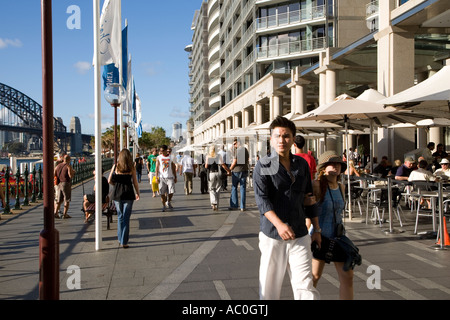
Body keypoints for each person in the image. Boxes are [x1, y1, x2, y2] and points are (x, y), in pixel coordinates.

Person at [253, 116, 321, 300]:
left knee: (305, 285)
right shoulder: (265, 165)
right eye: (277, 136)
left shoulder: (301, 164)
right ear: (271, 139)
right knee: (269, 289)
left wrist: (316, 228)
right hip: (273, 235)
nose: (281, 140)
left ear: (293, 138)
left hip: (299, 233)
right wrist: (279, 224)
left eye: (286, 136)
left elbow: (309, 197)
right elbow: (263, 201)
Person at [312, 151, 354, 300]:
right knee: (314, 276)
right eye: (332, 163)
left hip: (338, 238)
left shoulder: (341, 187)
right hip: (320, 238)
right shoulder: (316, 185)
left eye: (338, 164)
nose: (336, 166)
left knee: (347, 276)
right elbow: (308, 210)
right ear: (323, 167)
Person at [108, 149, 140, 248]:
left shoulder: (116, 166)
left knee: (120, 216)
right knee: (126, 218)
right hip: (129, 193)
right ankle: (124, 241)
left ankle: (119, 237)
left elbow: (109, 180)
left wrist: (116, 184)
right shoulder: (132, 167)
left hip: (117, 193)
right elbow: (135, 182)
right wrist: (137, 193)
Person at [205, 145, 231, 211]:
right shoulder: (218, 156)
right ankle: (216, 204)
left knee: (211, 189)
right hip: (218, 173)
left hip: (211, 173)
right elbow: (223, 165)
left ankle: (213, 203)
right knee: (218, 188)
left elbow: (206, 166)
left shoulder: (208, 156)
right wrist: (228, 171)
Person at [229, 138, 249, 211]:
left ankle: (234, 205)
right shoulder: (246, 150)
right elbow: (247, 159)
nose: (234, 145)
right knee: (243, 188)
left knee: (234, 188)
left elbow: (234, 162)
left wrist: (230, 169)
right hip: (244, 170)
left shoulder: (237, 151)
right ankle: (242, 206)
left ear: (238, 142)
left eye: (235, 143)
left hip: (236, 171)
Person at [156, 145, 177, 212]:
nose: (161, 152)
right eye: (160, 151)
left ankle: (168, 201)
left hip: (170, 177)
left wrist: (175, 176)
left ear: (166, 150)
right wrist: (156, 177)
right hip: (162, 177)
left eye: (162, 151)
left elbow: (173, 167)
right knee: (162, 193)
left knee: (171, 191)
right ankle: (164, 205)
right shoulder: (159, 157)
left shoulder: (171, 157)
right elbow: (157, 168)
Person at [54, 154, 75, 219]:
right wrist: (73, 172)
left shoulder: (58, 166)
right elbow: (70, 176)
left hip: (59, 184)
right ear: (69, 160)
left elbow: (54, 174)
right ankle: (65, 214)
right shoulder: (68, 166)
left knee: (59, 200)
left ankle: (56, 213)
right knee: (67, 200)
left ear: (63, 159)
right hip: (66, 184)